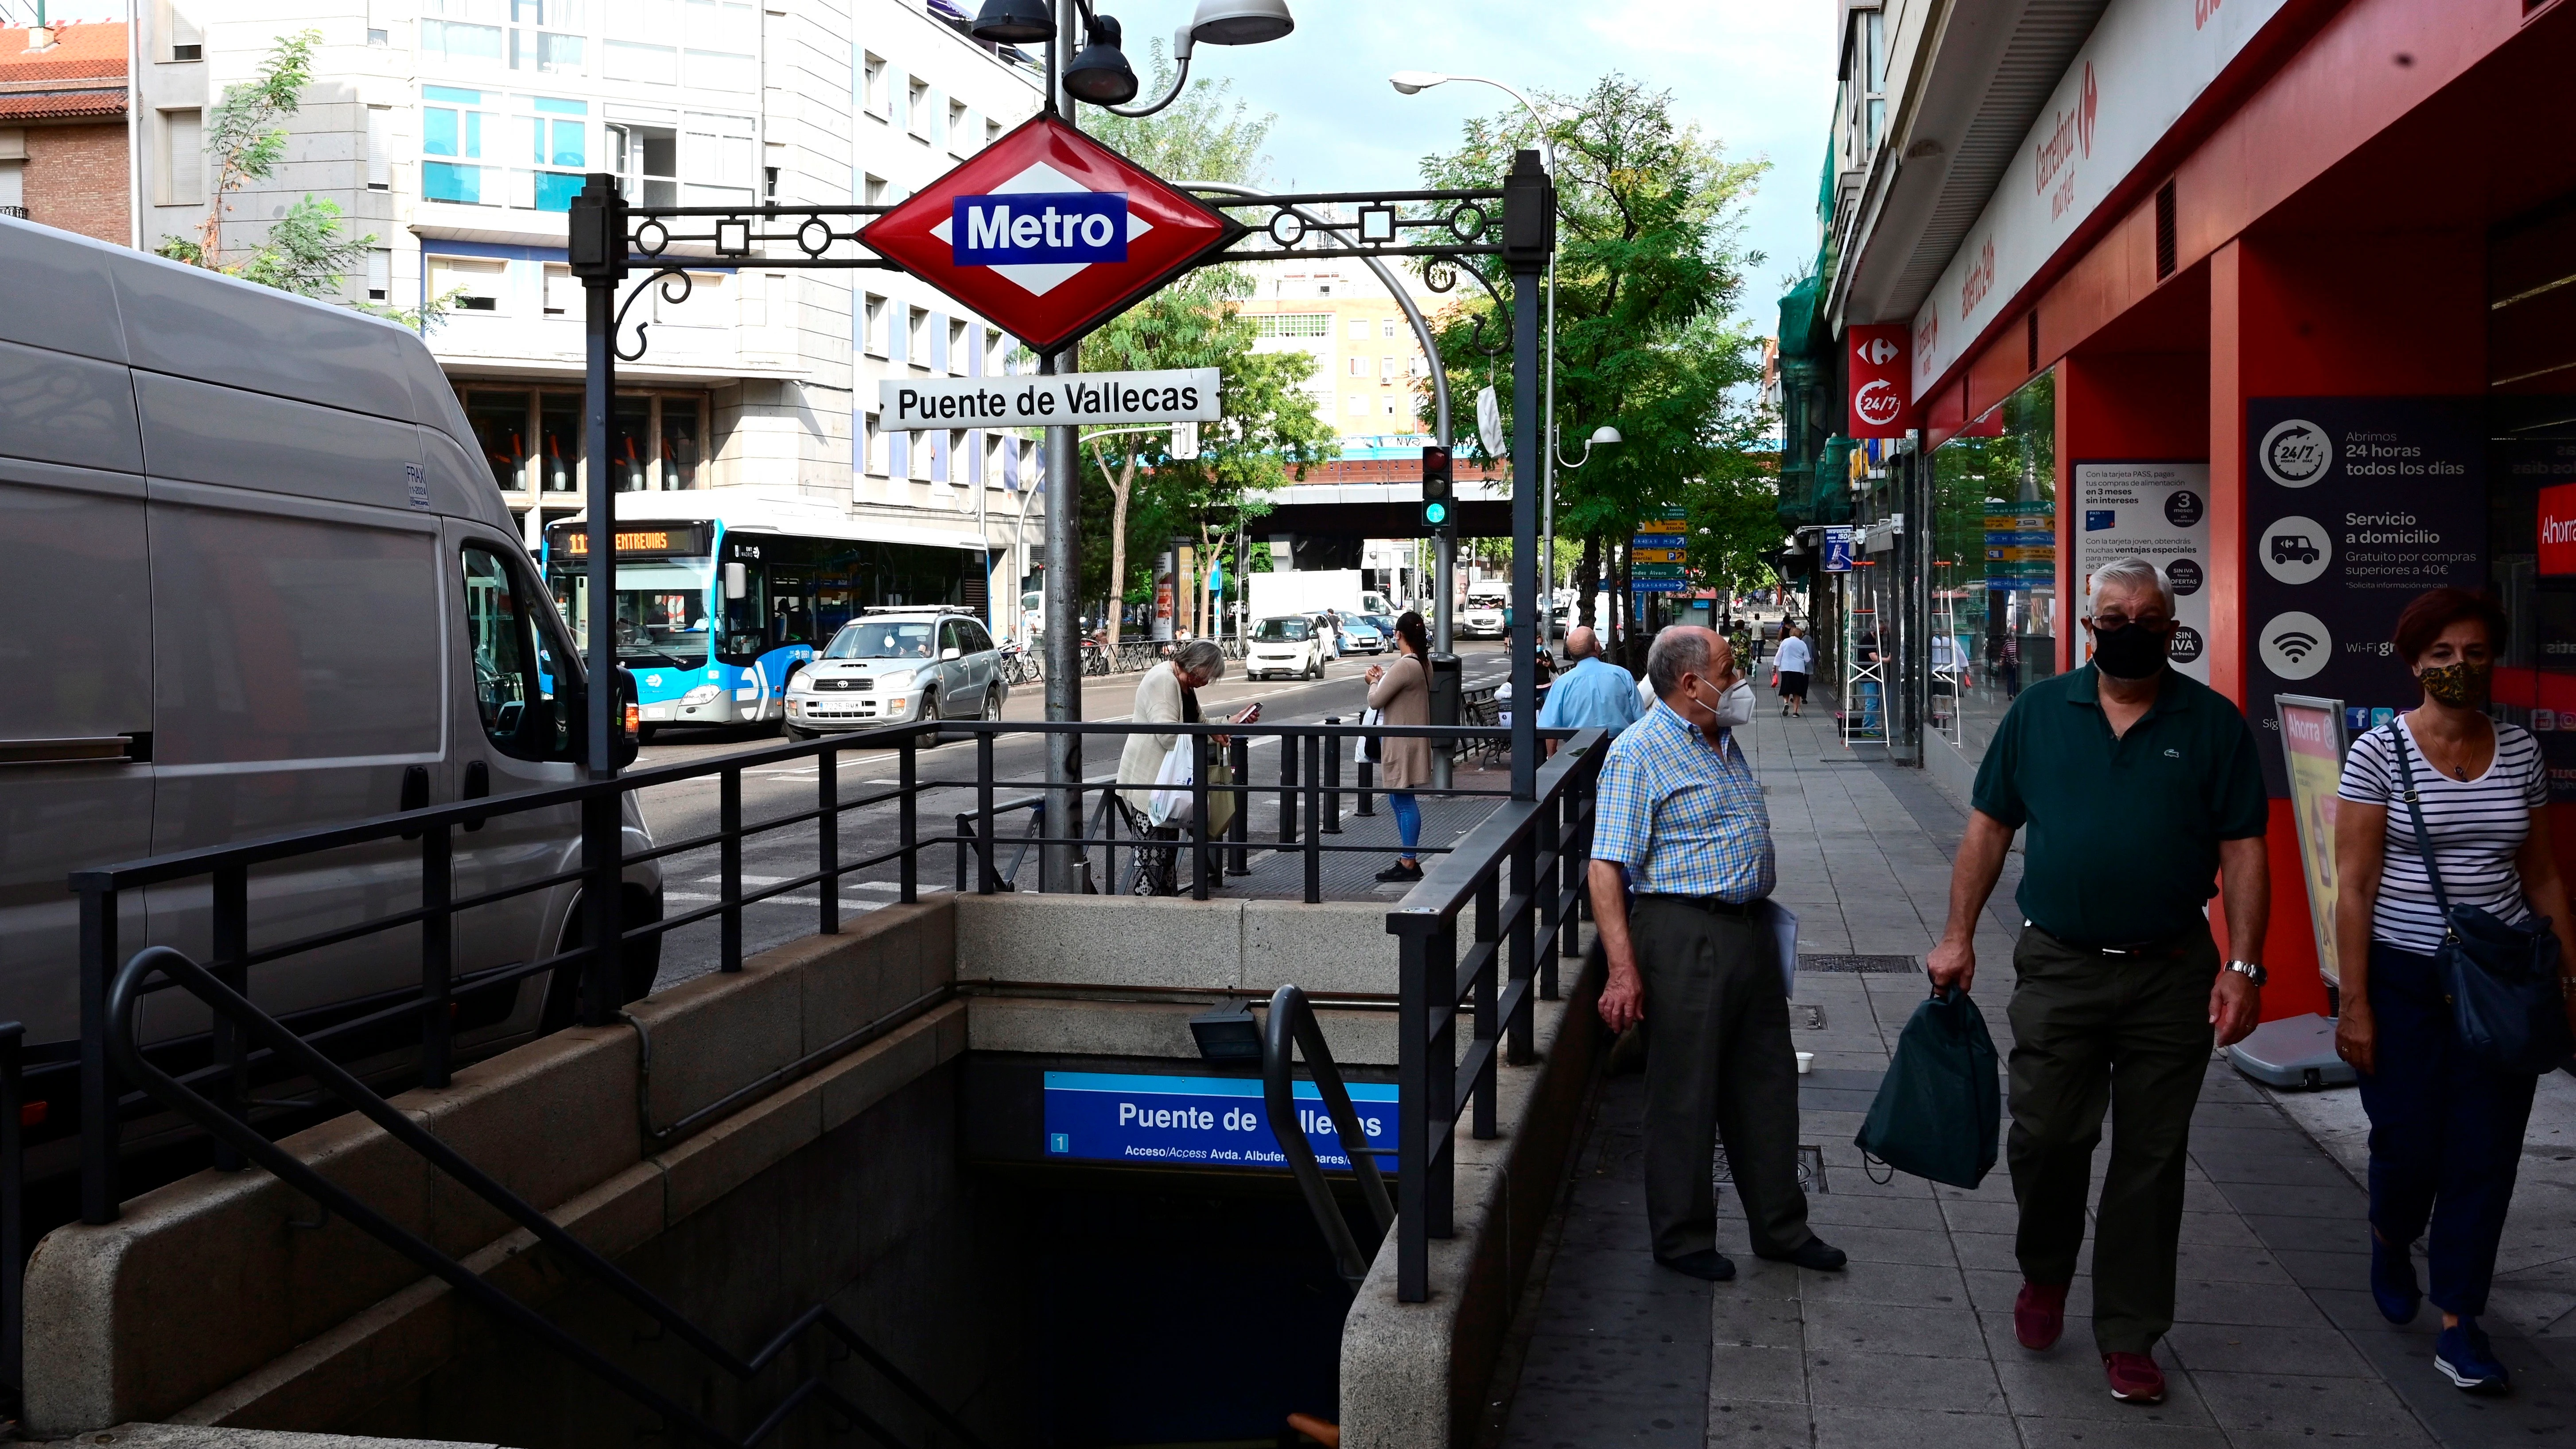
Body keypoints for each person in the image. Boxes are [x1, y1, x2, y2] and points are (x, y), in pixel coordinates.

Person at [1925, 557, 2268, 1406]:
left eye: (2149, 616)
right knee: (2045, 1136)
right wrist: (1957, 936)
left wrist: (2244, 965)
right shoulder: (2040, 713)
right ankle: (2045, 1272)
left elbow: (2244, 849)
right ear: (2087, 625)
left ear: (2173, 625)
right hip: (2060, 964)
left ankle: (2130, 1329)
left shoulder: (2213, 724)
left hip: (2172, 971)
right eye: (2113, 615)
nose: (2131, 627)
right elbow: (1989, 827)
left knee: (2150, 1161)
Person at [2330, 587, 2576, 1396]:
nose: (2459, 668)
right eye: (2441, 655)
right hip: (2404, 980)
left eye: (2474, 653)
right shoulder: (2378, 752)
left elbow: (2538, 872)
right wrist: (2355, 1002)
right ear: (2413, 663)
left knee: (2484, 1155)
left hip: (2499, 980)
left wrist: (2566, 978)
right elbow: (2356, 886)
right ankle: (2390, 1232)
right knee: (2407, 1146)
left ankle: (2460, 1320)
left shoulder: (2518, 751)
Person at [1590, 626, 1844, 1283]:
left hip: (1747, 928)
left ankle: (1780, 1226)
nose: (1740, 680)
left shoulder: (1718, 740)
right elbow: (1605, 867)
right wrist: (1622, 970)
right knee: (1684, 1089)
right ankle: (1681, 1236)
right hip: (1681, 931)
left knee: (1766, 1081)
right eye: (1728, 669)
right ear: (1689, 683)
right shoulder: (1638, 752)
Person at [1118, 638, 1228, 895]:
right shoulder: (1164, 681)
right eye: (1207, 675)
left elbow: (1198, 723)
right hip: (1150, 787)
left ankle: (1165, 918)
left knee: (1166, 864)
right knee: (1150, 863)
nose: (1207, 682)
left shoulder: (1185, 685)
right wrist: (1205, 735)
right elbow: (1168, 735)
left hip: (1167, 787)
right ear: (1196, 665)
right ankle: (1146, 920)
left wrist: (1228, 722)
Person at [1365, 612, 1433, 883]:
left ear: (1399, 635)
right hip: (1414, 740)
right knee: (1399, 798)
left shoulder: (1405, 666)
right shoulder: (1424, 663)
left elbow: (1376, 700)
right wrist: (1383, 678)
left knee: (1403, 800)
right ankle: (1408, 857)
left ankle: (1408, 862)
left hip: (1401, 742)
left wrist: (1372, 682)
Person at [1537, 625, 1645, 755]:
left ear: (1571, 655)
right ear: (1597, 646)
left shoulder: (1562, 684)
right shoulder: (1622, 675)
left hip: (1577, 752)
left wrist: (1552, 757)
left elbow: (1550, 728)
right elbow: (1641, 720)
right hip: (1620, 749)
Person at [1772, 624, 1812, 716]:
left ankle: (1786, 703)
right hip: (1798, 669)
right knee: (1797, 691)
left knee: (1786, 688)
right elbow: (1807, 659)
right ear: (1800, 635)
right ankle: (1795, 712)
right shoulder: (1802, 644)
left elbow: (1779, 655)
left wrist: (1775, 667)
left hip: (1786, 668)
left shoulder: (1785, 642)